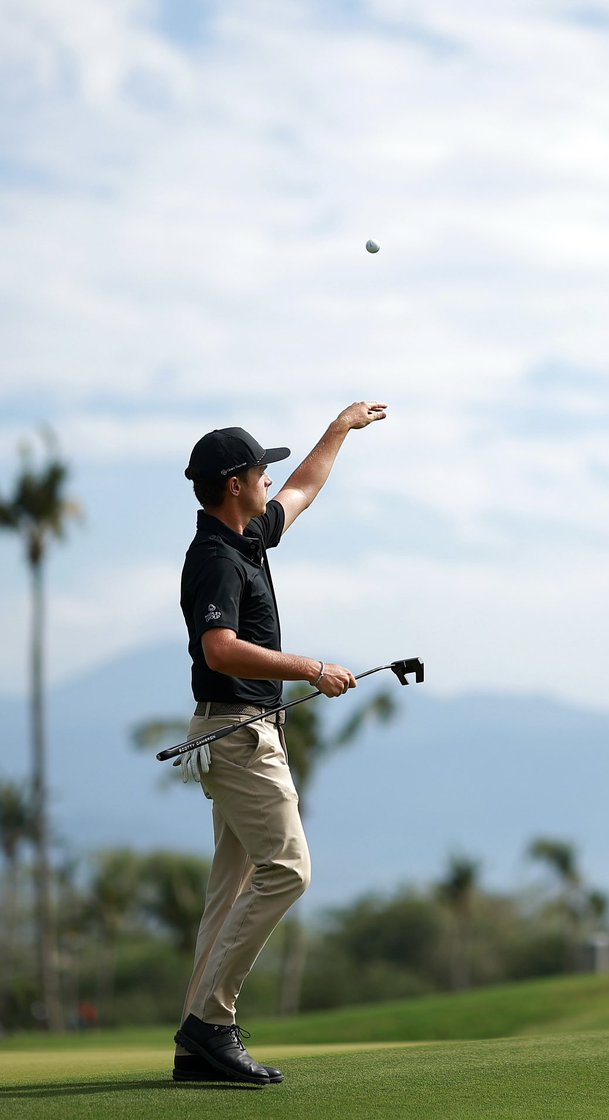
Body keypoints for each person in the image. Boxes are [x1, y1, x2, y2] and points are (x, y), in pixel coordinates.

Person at [171, 400, 387, 1086]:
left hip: (241, 734)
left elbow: (305, 489)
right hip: (238, 737)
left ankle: (194, 1046)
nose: (271, 478)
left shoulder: (248, 536)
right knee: (288, 870)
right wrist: (312, 668)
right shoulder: (214, 558)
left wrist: (340, 428)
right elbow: (221, 648)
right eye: (260, 470)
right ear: (234, 484)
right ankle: (210, 1023)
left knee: (231, 891)